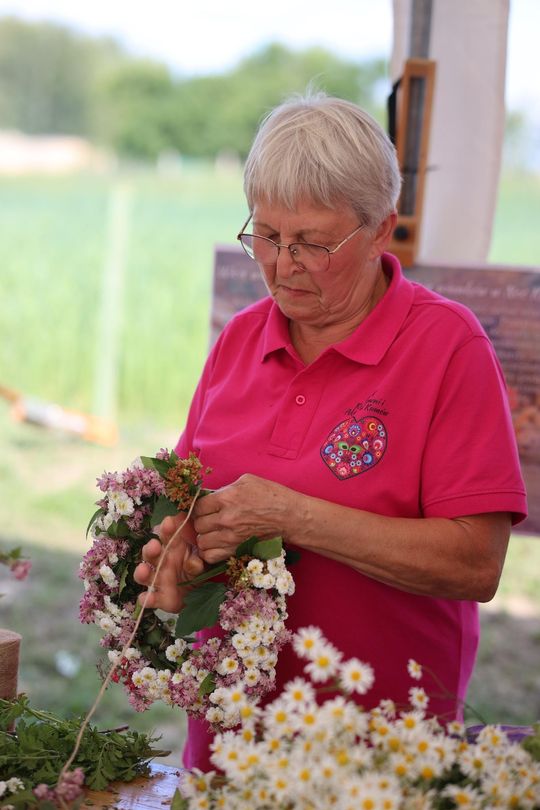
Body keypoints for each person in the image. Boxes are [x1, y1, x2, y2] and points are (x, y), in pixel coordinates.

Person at [134, 93, 527, 771]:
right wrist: (176, 558)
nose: (283, 264)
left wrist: (292, 515)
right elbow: (186, 504)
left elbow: (475, 563)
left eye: (313, 243)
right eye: (266, 235)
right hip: (229, 748)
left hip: (375, 758)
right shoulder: (241, 340)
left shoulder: (446, 347)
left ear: (381, 231)